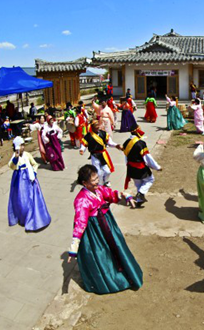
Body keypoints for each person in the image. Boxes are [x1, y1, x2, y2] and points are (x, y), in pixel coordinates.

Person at [68, 164, 142, 294]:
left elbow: (111, 194)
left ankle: (125, 272)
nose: (97, 181)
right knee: (102, 253)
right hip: (95, 231)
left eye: (97, 178)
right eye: (93, 180)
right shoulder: (81, 200)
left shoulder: (99, 190)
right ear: (84, 183)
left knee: (117, 246)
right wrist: (74, 248)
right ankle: (109, 280)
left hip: (107, 223)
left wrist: (126, 196)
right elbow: (80, 222)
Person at [8, 137, 52, 231]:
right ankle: (24, 217)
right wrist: (15, 158)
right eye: (20, 145)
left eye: (23, 145)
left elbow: (34, 164)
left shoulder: (27, 155)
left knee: (33, 197)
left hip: (30, 177)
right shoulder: (15, 156)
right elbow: (11, 166)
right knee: (22, 199)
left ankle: (35, 216)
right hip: (20, 180)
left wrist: (34, 172)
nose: (22, 147)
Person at [123, 125, 162, 207]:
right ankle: (140, 194)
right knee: (150, 179)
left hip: (130, 167)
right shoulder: (140, 143)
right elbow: (147, 158)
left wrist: (128, 165)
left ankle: (139, 200)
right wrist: (157, 167)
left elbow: (125, 156)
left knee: (138, 183)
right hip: (140, 167)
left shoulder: (126, 142)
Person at [80, 120, 121, 186]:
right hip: (94, 155)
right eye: (96, 125)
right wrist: (82, 150)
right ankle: (100, 185)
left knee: (108, 171)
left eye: (98, 125)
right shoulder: (88, 136)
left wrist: (116, 145)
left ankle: (105, 181)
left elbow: (110, 142)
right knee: (98, 172)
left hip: (103, 155)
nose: (97, 127)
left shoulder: (103, 134)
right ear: (92, 127)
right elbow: (84, 144)